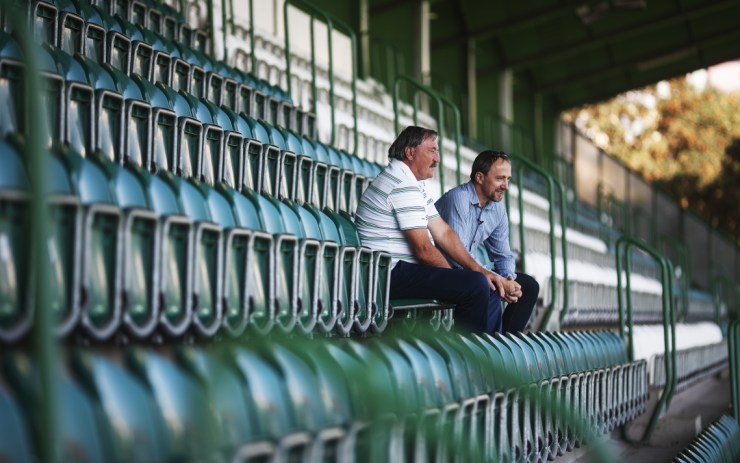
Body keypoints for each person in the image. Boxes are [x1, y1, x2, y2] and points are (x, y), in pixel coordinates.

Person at [355, 126, 506, 335]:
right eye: (432, 150)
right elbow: (423, 250)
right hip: (388, 274)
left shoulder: (413, 183)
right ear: (410, 152)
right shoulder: (401, 183)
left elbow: (443, 232)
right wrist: (460, 278)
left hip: (402, 270)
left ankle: (488, 353)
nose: (437, 159)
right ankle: (467, 359)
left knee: (487, 285)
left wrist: (478, 270)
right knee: (474, 285)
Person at [435, 150, 539, 333]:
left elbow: (503, 255)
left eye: (508, 179)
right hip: (443, 269)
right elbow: (457, 258)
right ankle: (486, 351)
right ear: (480, 177)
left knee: (528, 287)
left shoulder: (497, 209)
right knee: (487, 285)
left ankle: (505, 348)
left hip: (470, 271)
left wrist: (508, 279)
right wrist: (497, 279)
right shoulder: (458, 198)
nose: (505, 185)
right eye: (500, 178)